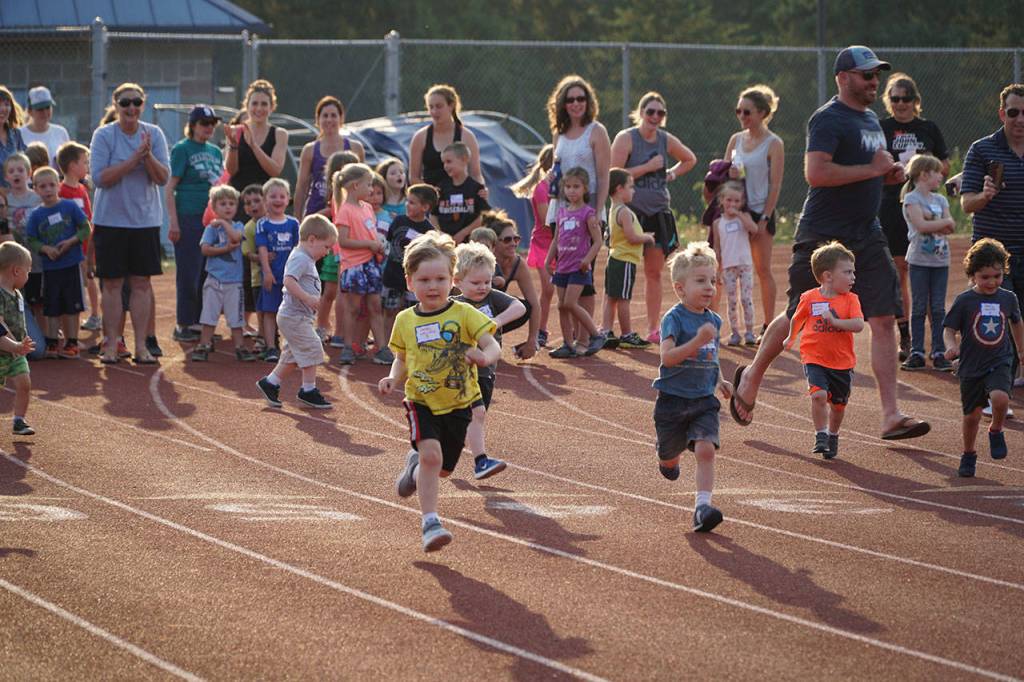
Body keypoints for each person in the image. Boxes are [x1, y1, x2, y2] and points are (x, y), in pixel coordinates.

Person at [730, 45, 930, 442]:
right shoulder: (828, 118)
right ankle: (751, 375)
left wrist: (885, 175)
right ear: (843, 78)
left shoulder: (871, 119)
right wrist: (870, 170)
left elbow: (868, 169)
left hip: (867, 232)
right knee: (798, 313)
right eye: (866, 74)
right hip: (823, 234)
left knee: (884, 316)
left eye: (876, 74)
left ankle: (891, 416)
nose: (874, 81)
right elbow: (816, 173)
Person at [379, 231, 500, 552]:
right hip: (421, 400)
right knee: (432, 456)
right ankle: (430, 522)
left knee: (442, 469)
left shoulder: (464, 314)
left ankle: (414, 469)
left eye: (440, 279)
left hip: (459, 403)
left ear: (452, 279)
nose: (433, 286)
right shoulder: (405, 320)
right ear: (410, 282)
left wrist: (484, 357)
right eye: (424, 280)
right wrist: (392, 378)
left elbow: (492, 345)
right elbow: (401, 358)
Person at [653, 241, 733, 533]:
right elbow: (668, 358)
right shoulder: (673, 319)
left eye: (712, 280)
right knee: (669, 457)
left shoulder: (714, 320)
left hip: (703, 400)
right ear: (680, 288)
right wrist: (698, 340)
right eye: (701, 281)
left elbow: (711, 355)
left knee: (706, 449)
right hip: (672, 401)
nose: (709, 287)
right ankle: (667, 457)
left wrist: (720, 379)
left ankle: (702, 507)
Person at [89, 83, 170, 365]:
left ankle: (141, 346)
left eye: (136, 102)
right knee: (111, 284)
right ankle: (111, 345)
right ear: (116, 105)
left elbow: (162, 178)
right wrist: (134, 158)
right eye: (125, 103)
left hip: (144, 222)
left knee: (141, 284)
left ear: (143, 104)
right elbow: (100, 178)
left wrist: (147, 156)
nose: (131, 108)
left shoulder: (154, 134)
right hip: (110, 221)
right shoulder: (104, 135)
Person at [611, 91, 697, 343]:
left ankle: (652, 328)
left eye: (661, 112)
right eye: (650, 111)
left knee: (653, 272)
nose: (655, 116)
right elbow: (613, 173)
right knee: (621, 268)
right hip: (629, 214)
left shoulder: (664, 139)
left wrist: (671, 173)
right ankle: (608, 327)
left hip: (657, 212)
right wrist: (648, 167)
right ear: (641, 113)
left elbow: (690, 159)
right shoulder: (626, 138)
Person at [878, 73, 949, 361]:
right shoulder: (881, 127)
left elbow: (945, 164)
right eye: (895, 98)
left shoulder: (927, 128)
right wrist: (892, 169)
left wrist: (923, 169)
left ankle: (937, 341)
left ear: (915, 100)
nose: (900, 103)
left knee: (929, 268)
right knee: (900, 270)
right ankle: (906, 336)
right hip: (891, 204)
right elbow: (872, 163)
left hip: (926, 205)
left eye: (906, 98)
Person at [943, 239, 1024, 477]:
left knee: (1000, 398)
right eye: (985, 277)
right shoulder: (965, 301)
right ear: (972, 275)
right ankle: (968, 454)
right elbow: (949, 329)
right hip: (971, 365)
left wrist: (1021, 352)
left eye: (997, 276)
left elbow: (1016, 323)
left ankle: (996, 429)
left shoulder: (1008, 298)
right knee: (971, 416)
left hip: (1000, 360)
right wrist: (951, 347)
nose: (992, 282)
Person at [452, 242, 526, 480]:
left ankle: (444, 452)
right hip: (460, 373)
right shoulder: (455, 305)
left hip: (486, 371)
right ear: (457, 281)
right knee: (476, 414)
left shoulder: (492, 298)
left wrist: (496, 321)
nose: (483, 287)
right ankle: (480, 460)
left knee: (474, 416)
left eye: (487, 281)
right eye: (476, 283)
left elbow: (520, 307)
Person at [783, 242, 864, 459]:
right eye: (847, 272)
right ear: (828, 276)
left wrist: (836, 322)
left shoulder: (851, 300)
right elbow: (797, 319)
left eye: (853, 272)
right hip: (814, 357)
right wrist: (791, 337)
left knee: (838, 406)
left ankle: (833, 435)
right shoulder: (809, 298)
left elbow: (858, 324)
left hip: (842, 362)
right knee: (818, 395)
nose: (853, 277)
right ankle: (821, 434)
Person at [257, 215, 338, 409]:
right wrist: (307, 298)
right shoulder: (301, 258)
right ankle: (308, 390)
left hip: (297, 317)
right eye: (326, 247)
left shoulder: (305, 258)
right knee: (312, 347)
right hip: (294, 316)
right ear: (312, 239)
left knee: (293, 355)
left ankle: (270, 383)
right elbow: (288, 280)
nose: (327, 252)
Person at [724, 85, 784, 342]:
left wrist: (764, 218)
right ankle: (728, 327)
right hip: (734, 211)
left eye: (747, 112)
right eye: (738, 111)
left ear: (762, 113)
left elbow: (775, 185)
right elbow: (723, 176)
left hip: (759, 212)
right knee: (726, 268)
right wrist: (729, 174)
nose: (742, 116)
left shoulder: (774, 143)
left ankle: (768, 326)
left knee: (762, 269)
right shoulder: (735, 140)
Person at [166, 105, 224, 343]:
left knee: (207, 273)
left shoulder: (216, 151)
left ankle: (201, 322)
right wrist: (174, 222)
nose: (209, 127)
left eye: (212, 124)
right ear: (192, 125)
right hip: (188, 215)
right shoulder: (182, 149)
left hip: (212, 218)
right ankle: (184, 323)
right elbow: (170, 188)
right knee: (188, 272)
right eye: (204, 123)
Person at [25, 166, 90, 358]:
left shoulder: (70, 207)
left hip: (71, 265)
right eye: (42, 186)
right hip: (50, 268)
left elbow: (85, 228)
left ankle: (72, 343)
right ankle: (52, 343)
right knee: (52, 307)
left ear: (58, 185)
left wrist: (71, 242)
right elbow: (31, 239)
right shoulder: (36, 215)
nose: (48, 190)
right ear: (35, 189)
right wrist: (46, 249)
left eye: (51, 185)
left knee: (72, 306)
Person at [190, 185, 258, 363]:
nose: (228, 207)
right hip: (214, 280)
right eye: (222, 204)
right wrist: (224, 249)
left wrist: (223, 223)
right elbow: (205, 249)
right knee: (209, 315)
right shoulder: (211, 229)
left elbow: (235, 238)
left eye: (231, 203)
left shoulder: (238, 226)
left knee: (236, 317)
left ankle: (240, 346)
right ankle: (204, 344)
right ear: (214, 207)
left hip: (234, 282)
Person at [332, 163, 391, 366]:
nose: (371, 190)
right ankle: (348, 347)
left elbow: (371, 232)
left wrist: (378, 246)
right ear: (356, 185)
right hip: (353, 266)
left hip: (371, 264)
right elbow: (343, 241)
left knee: (375, 306)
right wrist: (369, 244)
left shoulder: (366, 207)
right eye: (368, 185)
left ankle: (382, 348)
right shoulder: (345, 210)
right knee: (353, 308)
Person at [899, 154, 954, 372]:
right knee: (919, 306)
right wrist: (940, 222)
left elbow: (951, 226)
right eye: (937, 172)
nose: (941, 176)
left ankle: (939, 351)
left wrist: (932, 220)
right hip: (919, 260)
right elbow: (920, 226)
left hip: (941, 260)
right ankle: (917, 352)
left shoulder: (940, 200)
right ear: (923, 174)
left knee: (938, 307)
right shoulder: (911, 199)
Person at [545, 167, 605, 358]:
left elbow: (598, 241)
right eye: (568, 186)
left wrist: (587, 260)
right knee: (561, 306)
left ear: (585, 188)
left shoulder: (588, 213)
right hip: (562, 266)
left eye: (576, 186)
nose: (571, 190)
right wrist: (548, 260)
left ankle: (596, 335)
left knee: (570, 303)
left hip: (578, 267)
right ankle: (567, 344)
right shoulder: (561, 213)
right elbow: (556, 239)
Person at [602, 168, 654, 348]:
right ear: (619, 189)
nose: (633, 191)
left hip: (615, 259)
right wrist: (647, 237)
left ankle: (606, 331)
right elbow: (631, 237)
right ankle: (626, 334)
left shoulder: (613, 209)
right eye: (630, 187)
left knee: (611, 297)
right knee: (623, 299)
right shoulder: (624, 211)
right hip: (624, 260)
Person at [511, 144, 555, 347]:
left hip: (561, 244)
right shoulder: (542, 188)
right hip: (543, 244)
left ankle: (574, 332)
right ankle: (540, 330)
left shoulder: (568, 187)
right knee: (548, 288)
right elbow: (546, 220)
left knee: (568, 290)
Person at [381, 183, 437, 338]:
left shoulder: (429, 231)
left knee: (412, 313)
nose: (407, 204)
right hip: (392, 275)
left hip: (414, 280)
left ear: (425, 207)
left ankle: (408, 344)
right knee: (389, 311)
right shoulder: (399, 221)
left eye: (412, 202)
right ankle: (388, 344)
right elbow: (389, 240)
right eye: (407, 201)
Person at [226, 80, 289, 220]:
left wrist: (254, 146)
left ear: (272, 107)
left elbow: (275, 170)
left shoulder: (279, 134)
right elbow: (231, 170)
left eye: (264, 104)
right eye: (254, 104)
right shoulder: (236, 131)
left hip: (265, 203)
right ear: (247, 106)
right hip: (240, 201)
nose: (259, 108)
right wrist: (234, 146)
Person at [294, 96, 364, 220]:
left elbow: (364, 183)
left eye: (333, 115)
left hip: (347, 213)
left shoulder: (355, 148)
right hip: (316, 211)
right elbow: (301, 187)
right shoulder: (310, 150)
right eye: (325, 116)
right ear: (318, 120)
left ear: (341, 119)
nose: (329, 120)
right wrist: (298, 219)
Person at [56, 141, 100, 332]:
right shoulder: (60, 191)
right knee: (67, 283)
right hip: (66, 247)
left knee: (89, 278)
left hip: (83, 246)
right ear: (73, 165)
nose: (88, 166)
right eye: (85, 162)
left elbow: (89, 217)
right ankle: (62, 321)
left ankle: (95, 315)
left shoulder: (82, 190)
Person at [255, 178, 300, 362]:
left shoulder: (294, 223)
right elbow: (262, 249)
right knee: (270, 311)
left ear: (288, 199)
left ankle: (292, 347)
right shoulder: (262, 224)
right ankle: (271, 347)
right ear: (265, 199)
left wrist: (298, 275)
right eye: (273, 196)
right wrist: (267, 272)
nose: (278, 200)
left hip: (291, 277)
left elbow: (298, 249)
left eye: (282, 196)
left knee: (292, 312)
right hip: (272, 277)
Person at [484, 211, 539, 359]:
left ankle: (492, 335)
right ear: (494, 244)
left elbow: (535, 304)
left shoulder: (518, 264)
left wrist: (532, 341)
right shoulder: (482, 261)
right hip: (473, 311)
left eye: (516, 239)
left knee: (524, 308)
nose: (513, 243)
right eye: (507, 240)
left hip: (492, 314)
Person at [408, 84, 484, 187]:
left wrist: (480, 190)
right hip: (430, 195)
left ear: (451, 106)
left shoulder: (467, 136)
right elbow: (414, 178)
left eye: (439, 106)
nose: (434, 111)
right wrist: (433, 193)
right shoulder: (420, 137)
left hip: (459, 194)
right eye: (431, 107)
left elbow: (476, 174)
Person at [712, 182, 759, 346]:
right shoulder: (718, 223)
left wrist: (739, 214)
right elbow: (717, 247)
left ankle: (750, 332)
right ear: (721, 200)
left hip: (744, 264)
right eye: (729, 200)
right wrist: (717, 269)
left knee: (746, 298)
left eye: (737, 201)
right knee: (731, 300)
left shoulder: (744, 217)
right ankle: (735, 333)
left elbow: (754, 229)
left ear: (742, 202)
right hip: (728, 266)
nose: (732, 204)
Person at [0, 242, 38, 435]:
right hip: (4, 349)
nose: (28, 276)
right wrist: (14, 345)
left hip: (16, 351)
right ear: (16, 271)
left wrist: (21, 343)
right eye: (27, 271)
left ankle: (19, 420)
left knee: (24, 384)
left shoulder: (17, 294)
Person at [3, 154, 42, 322]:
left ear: (29, 173)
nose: (16, 174)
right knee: (16, 295)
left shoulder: (37, 197)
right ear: (6, 177)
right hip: (13, 256)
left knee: (38, 299)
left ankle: (42, 331)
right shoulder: (6, 199)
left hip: (36, 256)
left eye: (20, 170)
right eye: (11, 171)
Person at [433, 142, 489, 244]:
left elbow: (484, 215)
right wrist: (440, 234)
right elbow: (433, 215)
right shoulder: (441, 188)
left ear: (464, 159)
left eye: (449, 161)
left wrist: (463, 233)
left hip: (469, 243)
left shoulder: (476, 188)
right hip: (445, 243)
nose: (445, 166)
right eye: (443, 163)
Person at [18, 87, 69, 166]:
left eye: (47, 107)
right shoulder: (18, 134)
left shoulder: (61, 132)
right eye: (40, 109)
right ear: (30, 111)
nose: (45, 112)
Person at [0, 85, 27, 186]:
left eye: (6, 104)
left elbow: (24, 165)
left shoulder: (16, 134)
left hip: (16, 192)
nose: (3, 109)